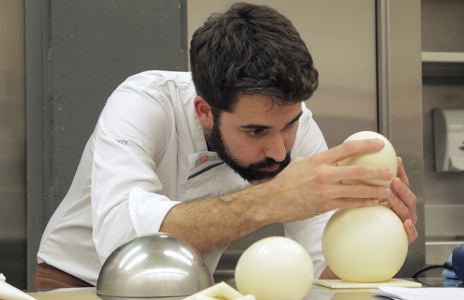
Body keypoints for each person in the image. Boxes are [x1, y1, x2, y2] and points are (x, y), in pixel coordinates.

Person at [31, 2, 418, 289]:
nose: (280, 152)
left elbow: (322, 270)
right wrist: (275, 199)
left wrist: (369, 240)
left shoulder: (299, 129)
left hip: (191, 290)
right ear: (204, 111)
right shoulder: (142, 103)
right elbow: (124, 242)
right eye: (255, 132)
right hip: (78, 284)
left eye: (289, 126)